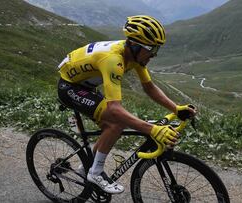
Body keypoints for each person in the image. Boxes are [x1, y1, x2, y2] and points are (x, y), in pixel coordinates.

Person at [57, 15, 196, 194]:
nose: (154, 54)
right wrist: (152, 130)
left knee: (111, 125)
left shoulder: (134, 55)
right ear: (136, 45)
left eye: (157, 49)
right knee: (117, 121)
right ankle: (95, 173)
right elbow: (115, 109)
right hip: (70, 87)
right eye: (152, 49)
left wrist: (176, 109)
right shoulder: (113, 60)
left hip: (86, 85)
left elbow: (149, 87)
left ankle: (88, 168)